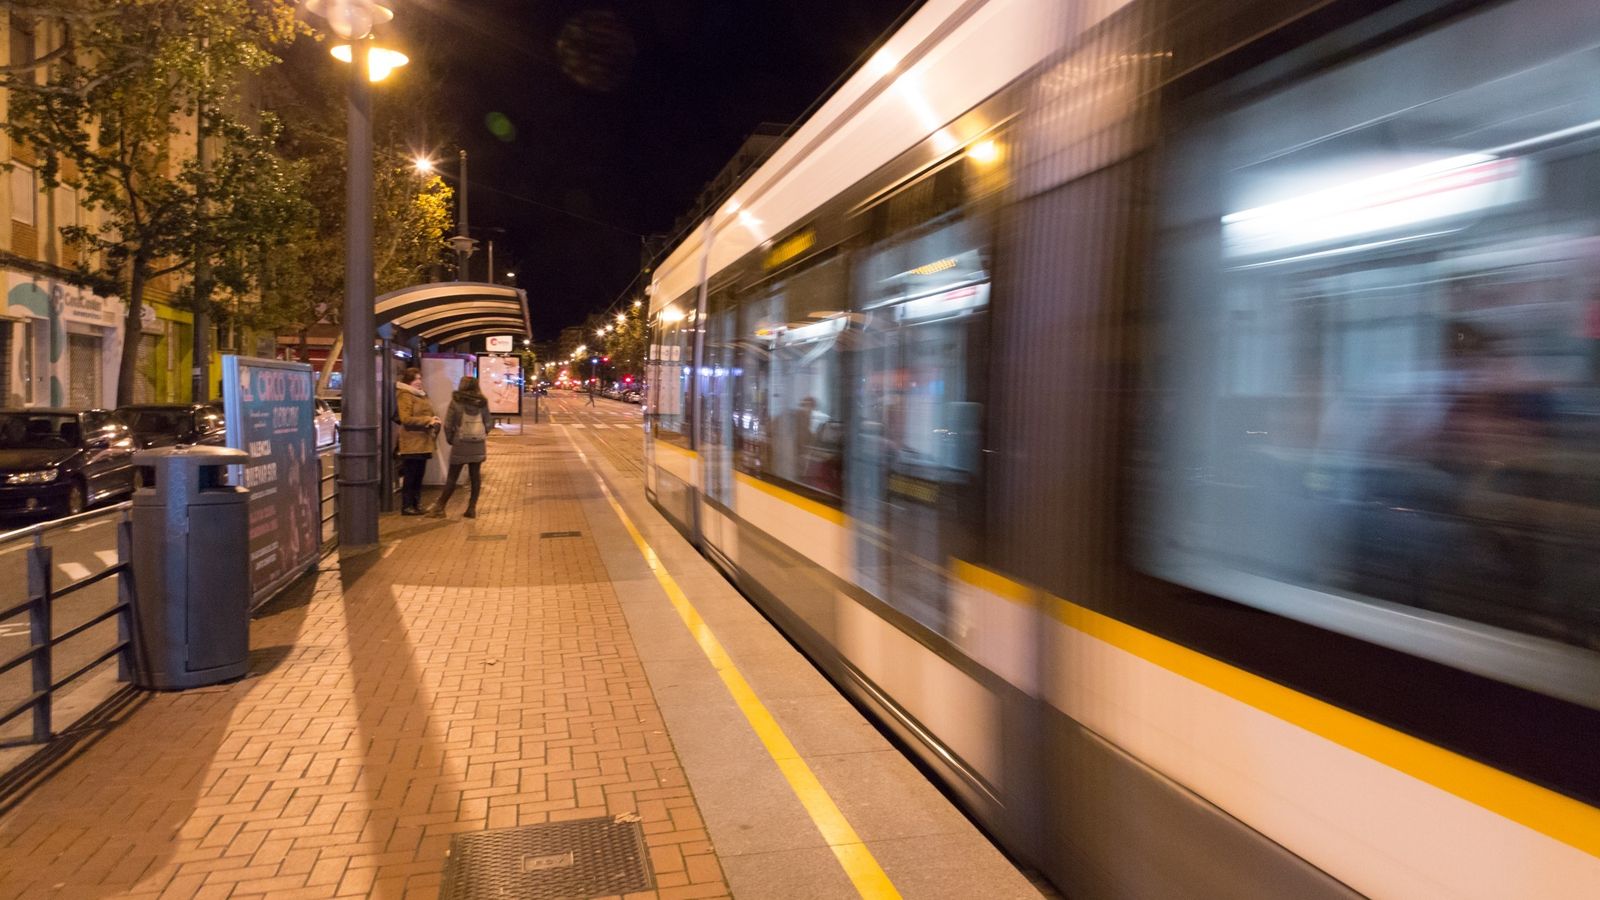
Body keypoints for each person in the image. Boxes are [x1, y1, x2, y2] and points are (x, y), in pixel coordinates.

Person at [428, 375, 494, 518]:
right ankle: (471, 508)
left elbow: (448, 425)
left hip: (460, 443)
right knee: (475, 476)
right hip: (477, 444)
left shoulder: (456, 402)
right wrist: (482, 435)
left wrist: (452, 439)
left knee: (452, 476)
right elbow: (489, 422)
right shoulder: (482, 402)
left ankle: (440, 507)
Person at [395, 367, 440, 515]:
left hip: (424, 441)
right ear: (409, 381)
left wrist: (434, 419)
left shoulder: (421, 395)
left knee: (419, 474)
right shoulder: (405, 395)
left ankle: (416, 503)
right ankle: (407, 506)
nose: (420, 381)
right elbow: (405, 419)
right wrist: (428, 420)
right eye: (416, 379)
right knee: (411, 475)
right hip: (412, 441)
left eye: (420, 378)